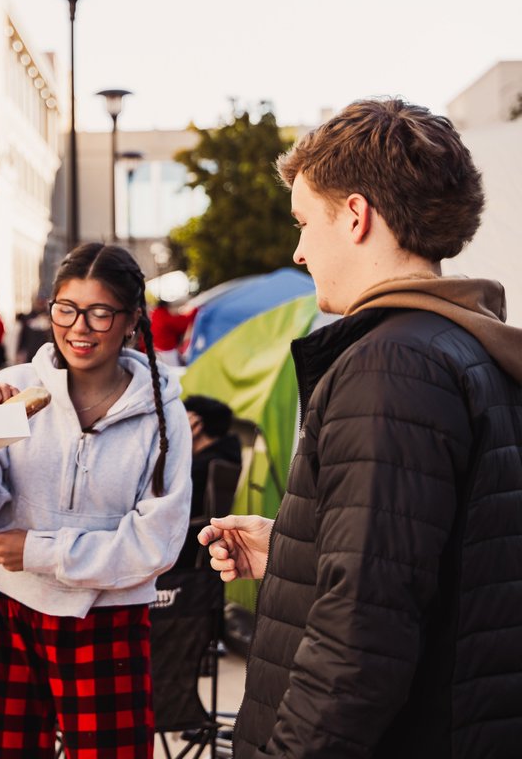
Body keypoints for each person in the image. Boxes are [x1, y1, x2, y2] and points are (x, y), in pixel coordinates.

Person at [198, 98, 522, 758]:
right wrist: (295, 550)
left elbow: (360, 641)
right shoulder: (463, 347)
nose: (298, 251)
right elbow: (435, 565)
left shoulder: (391, 366)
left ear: (355, 215)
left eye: (303, 222)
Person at [0, 242, 192, 757]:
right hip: (4, 608)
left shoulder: (161, 412)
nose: (79, 328)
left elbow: (157, 543)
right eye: (66, 309)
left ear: (132, 319)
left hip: (108, 622)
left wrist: (41, 551)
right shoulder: (12, 388)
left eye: (99, 312)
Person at [172, 394, 241, 570]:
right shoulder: (226, 459)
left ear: (195, 424)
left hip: (180, 560)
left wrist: (178, 444)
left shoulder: (199, 468)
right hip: (202, 560)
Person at [149, 299, 193, 366]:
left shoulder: (155, 314)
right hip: (167, 352)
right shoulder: (163, 316)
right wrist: (194, 311)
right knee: (175, 370)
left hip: (158, 351)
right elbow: (182, 323)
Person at [15, 294, 52, 364]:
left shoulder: (49, 317)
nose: (40, 304)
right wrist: (20, 350)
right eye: (39, 301)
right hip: (30, 351)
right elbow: (23, 335)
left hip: (45, 351)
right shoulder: (28, 317)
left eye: (42, 301)